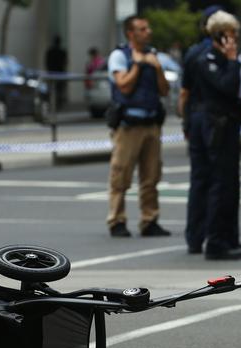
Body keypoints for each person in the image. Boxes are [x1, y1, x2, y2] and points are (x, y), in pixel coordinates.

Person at [181, 6, 241, 255]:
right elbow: (225, 87)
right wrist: (234, 61)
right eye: (230, 34)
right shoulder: (209, 58)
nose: (234, 39)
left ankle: (211, 237)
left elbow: (235, 94)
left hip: (211, 122)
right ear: (220, 34)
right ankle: (216, 241)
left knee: (213, 182)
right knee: (219, 183)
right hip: (215, 124)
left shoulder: (208, 56)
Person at [105, 15, 171, 238]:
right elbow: (123, 86)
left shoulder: (154, 55)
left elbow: (164, 90)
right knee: (120, 175)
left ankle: (149, 220)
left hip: (151, 123)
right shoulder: (119, 56)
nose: (148, 31)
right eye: (143, 29)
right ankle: (117, 220)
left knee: (151, 176)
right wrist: (138, 64)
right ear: (131, 33)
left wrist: (157, 67)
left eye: (148, 27)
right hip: (128, 125)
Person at [45, 35, 68, 106]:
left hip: (52, 73)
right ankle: (57, 103)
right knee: (58, 89)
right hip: (59, 73)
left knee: (53, 89)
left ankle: (54, 103)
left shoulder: (50, 51)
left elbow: (47, 62)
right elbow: (65, 62)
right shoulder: (62, 52)